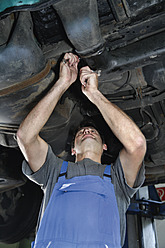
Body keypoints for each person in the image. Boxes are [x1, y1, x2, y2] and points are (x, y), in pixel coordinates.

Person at [17, 53, 146, 248]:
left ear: (104, 146)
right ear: (72, 149)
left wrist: (95, 94)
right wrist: (62, 82)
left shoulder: (118, 179)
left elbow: (137, 144)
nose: (86, 130)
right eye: (81, 132)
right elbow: (25, 136)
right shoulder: (53, 171)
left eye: (93, 131)